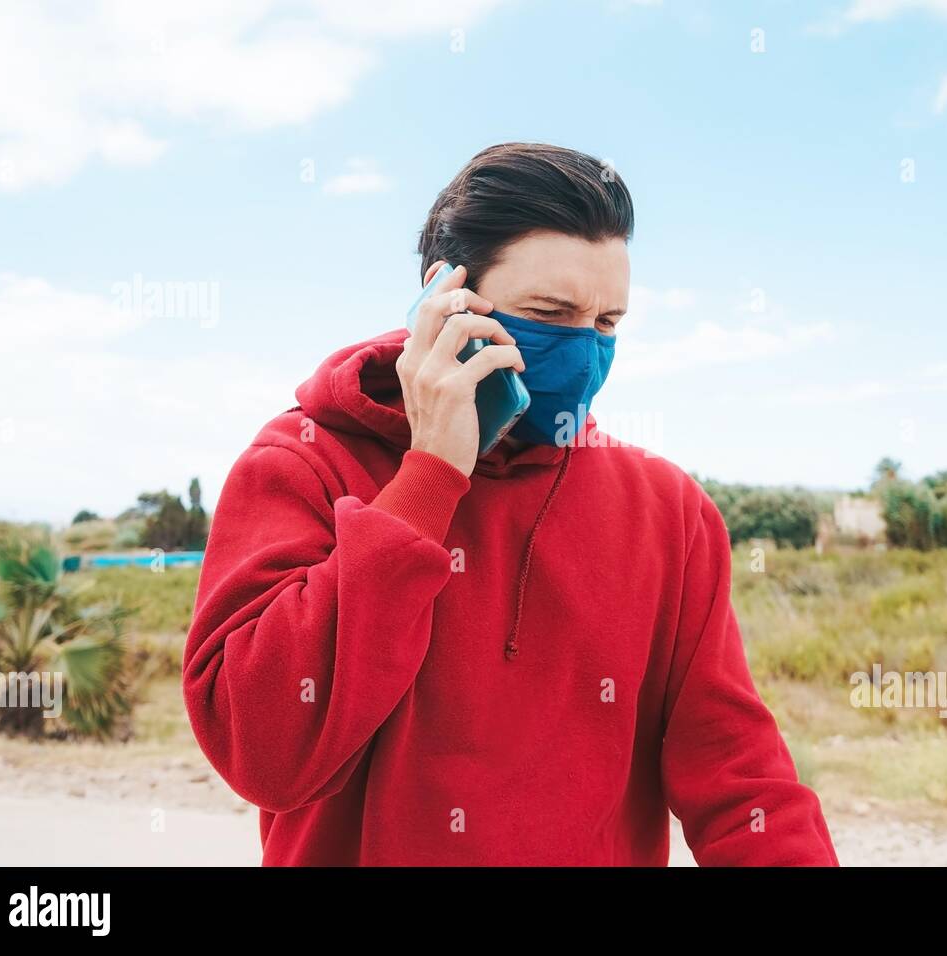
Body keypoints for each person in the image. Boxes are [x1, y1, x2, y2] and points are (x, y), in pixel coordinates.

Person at [182, 142, 840, 866]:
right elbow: (264, 753)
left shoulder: (668, 511)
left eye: (608, 324)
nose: (586, 354)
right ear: (447, 296)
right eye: (552, 313)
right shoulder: (301, 462)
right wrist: (429, 475)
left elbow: (740, 778)